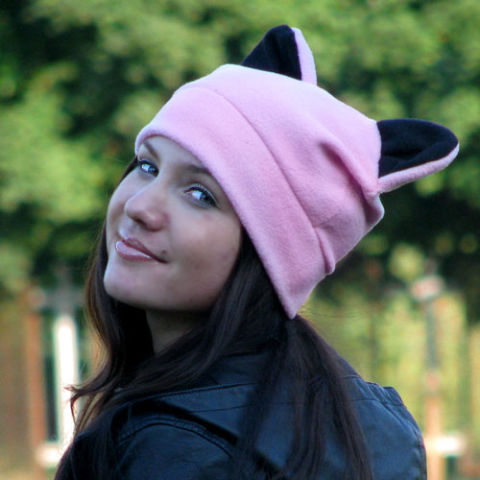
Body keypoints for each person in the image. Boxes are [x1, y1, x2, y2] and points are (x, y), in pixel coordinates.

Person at [54, 25, 459, 480]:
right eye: (147, 166)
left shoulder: (173, 444)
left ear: (270, 255)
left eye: (200, 194)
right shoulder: (379, 428)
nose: (140, 206)